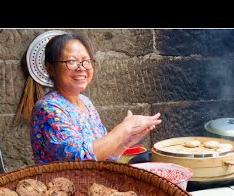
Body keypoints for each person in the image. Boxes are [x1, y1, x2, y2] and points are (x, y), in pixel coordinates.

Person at [30, 32, 161, 163]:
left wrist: (126, 139)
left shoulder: (85, 102)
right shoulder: (47, 108)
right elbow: (80, 158)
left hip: (95, 182)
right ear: (50, 68)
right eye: (72, 61)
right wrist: (124, 128)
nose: (81, 68)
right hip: (63, 183)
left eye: (86, 61)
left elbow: (103, 154)